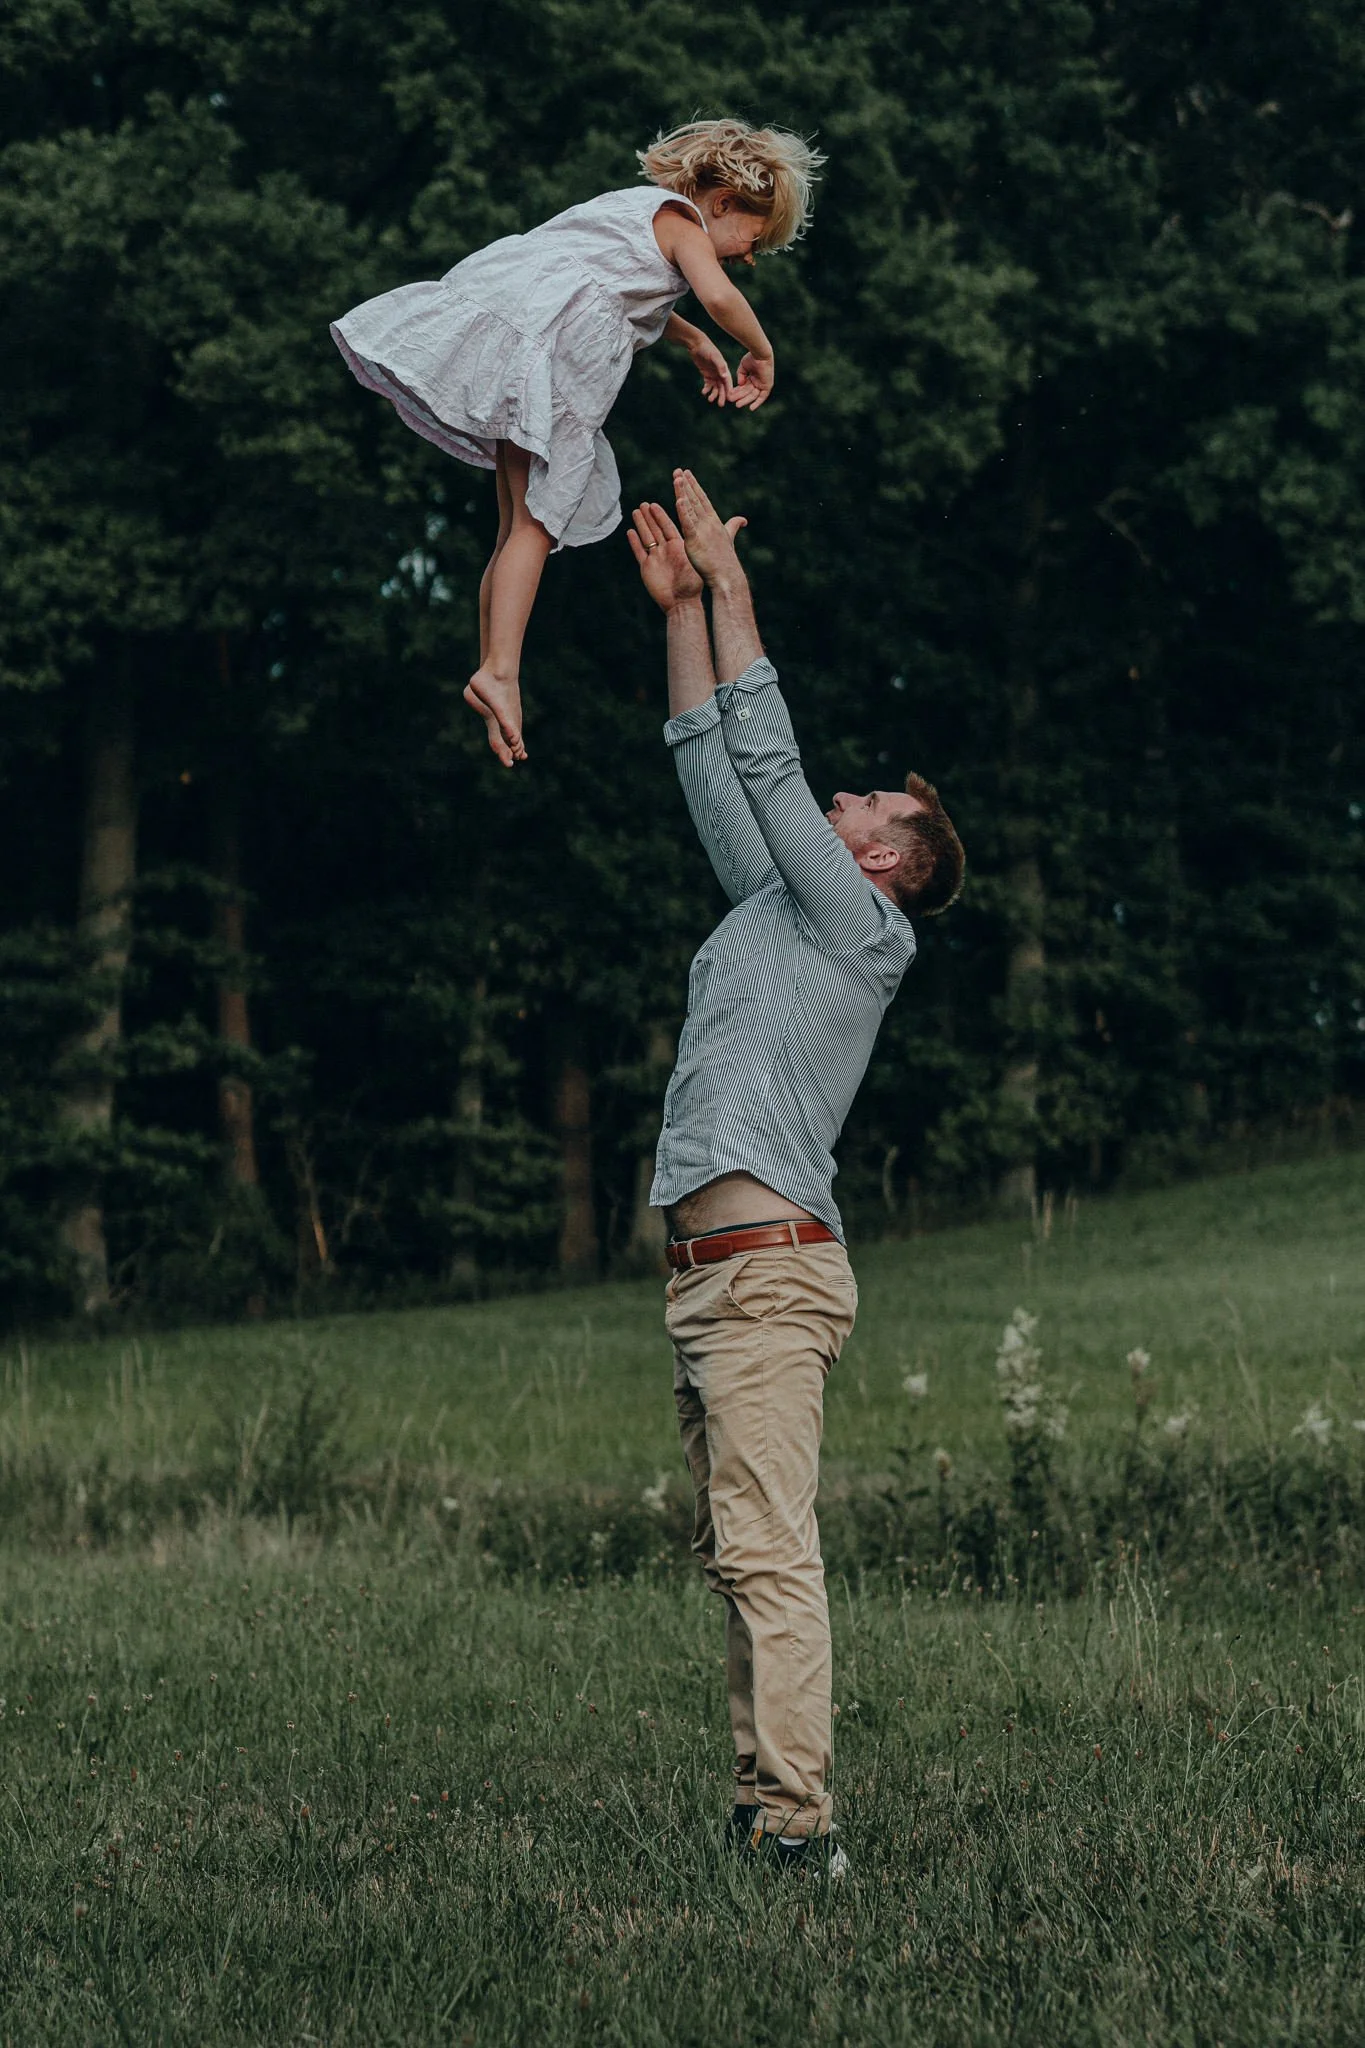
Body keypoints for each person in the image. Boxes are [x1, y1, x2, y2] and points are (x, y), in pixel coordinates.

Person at [628, 469, 965, 1874]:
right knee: (739, 1554)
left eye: (865, 800)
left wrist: (737, 584)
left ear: (888, 863)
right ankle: (762, 1801)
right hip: (711, 1283)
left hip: (767, 1281)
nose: (841, 794)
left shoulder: (865, 938)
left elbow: (772, 761)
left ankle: (800, 1831)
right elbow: (717, 763)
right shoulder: (779, 904)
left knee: (769, 1549)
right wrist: (685, 609)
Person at [331, 118, 823, 767]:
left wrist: (693, 341)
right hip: (556, 361)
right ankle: (503, 671)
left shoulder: (636, 213)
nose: (749, 256)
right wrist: (757, 349)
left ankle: (491, 667)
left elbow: (626, 286)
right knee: (536, 526)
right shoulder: (683, 222)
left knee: (514, 529)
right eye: (753, 239)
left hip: (520, 336)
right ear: (725, 202)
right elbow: (716, 294)